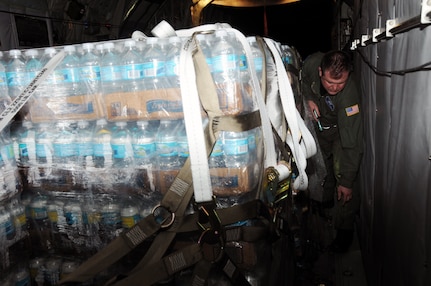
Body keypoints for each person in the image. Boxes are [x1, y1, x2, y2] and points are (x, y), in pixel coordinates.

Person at [301, 50, 363, 253]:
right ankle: (325, 205)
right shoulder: (311, 64)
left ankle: (344, 231)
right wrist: (309, 98)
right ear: (320, 72)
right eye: (329, 82)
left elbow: (351, 142)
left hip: (339, 132)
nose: (334, 88)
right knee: (320, 168)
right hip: (318, 128)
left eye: (340, 83)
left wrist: (346, 181)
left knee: (340, 172)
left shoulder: (348, 96)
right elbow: (299, 81)